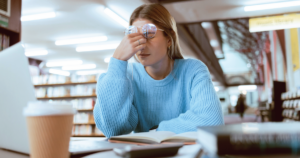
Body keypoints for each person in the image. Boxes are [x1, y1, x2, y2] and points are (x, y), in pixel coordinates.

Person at [93, 4, 224, 138]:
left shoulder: (193, 70)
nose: (141, 46)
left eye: (149, 34)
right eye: (133, 36)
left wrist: (158, 131)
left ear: (169, 38)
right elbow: (113, 130)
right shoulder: (126, 76)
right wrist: (117, 60)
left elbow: (211, 121)